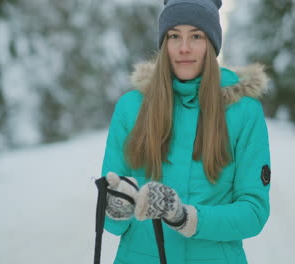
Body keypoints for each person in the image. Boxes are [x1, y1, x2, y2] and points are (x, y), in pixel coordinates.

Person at [100, 0, 271, 263]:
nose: (184, 48)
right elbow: (112, 224)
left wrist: (186, 217)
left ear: (212, 43)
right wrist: (117, 207)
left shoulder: (243, 112)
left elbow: (254, 211)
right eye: (174, 35)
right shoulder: (131, 108)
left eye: (196, 36)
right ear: (164, 42)